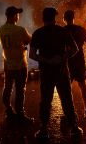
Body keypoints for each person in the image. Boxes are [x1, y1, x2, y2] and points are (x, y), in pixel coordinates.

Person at [29, 7, 82, 140]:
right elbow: (75, 49)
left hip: (46, 72)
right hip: (62, 71)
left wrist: (47, 60)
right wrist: (62, 58)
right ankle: (74, 128)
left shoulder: (37, 33)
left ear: (43, 18)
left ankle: (43, 130)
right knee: (67, 99)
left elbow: (32, 55)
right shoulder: (62, 31)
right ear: (54, 18)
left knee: (45, 100)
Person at [0, 6, 33, 122]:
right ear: (13, 16)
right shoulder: (20, 30)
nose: (18, 16)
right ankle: (20, 114)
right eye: (17, 15)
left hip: (8, 65)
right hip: (20, 65)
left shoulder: (1, 29)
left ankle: (8, 110)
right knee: (20, 90)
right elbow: (29, 40)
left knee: (7, 88)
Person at [63, 10, 86, 119]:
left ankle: (68, 112)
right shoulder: (80, 29)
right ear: (73, 18)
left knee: (67, 87)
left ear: (64, 19)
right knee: (82, 84)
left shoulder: (62, 31)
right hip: (79, 60)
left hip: (67, 60)